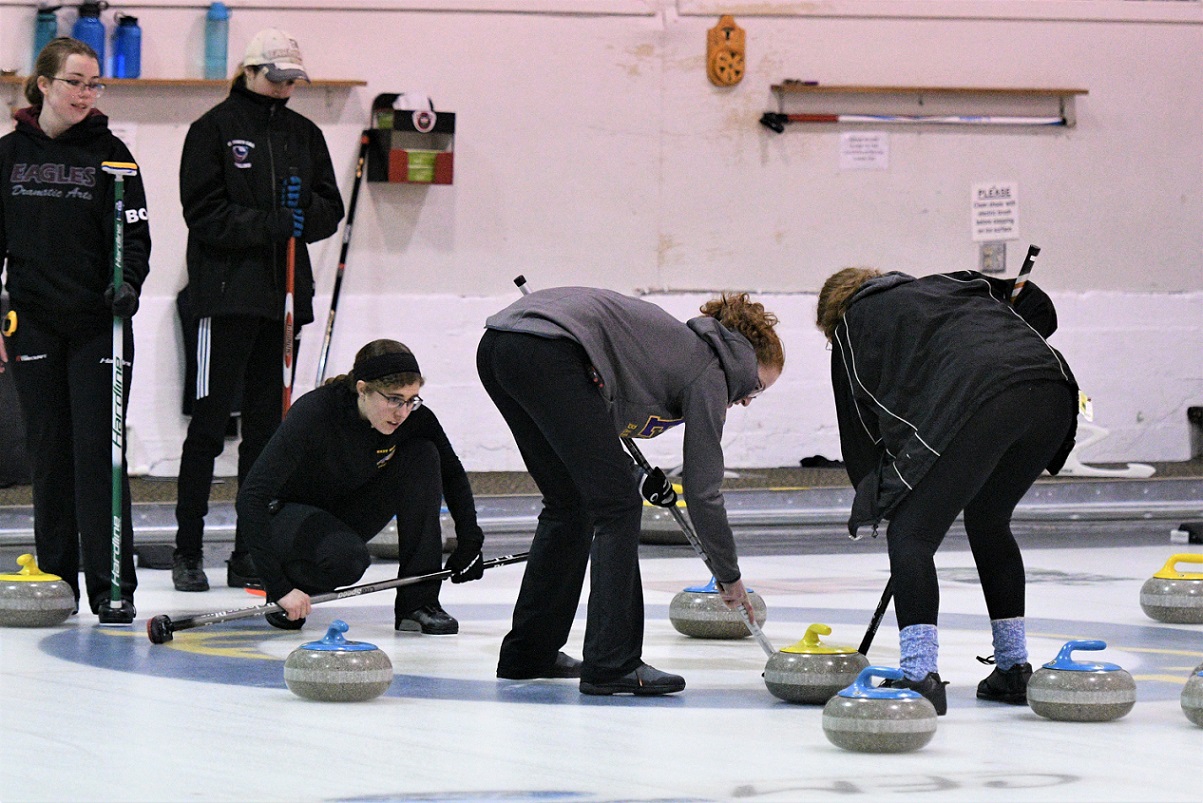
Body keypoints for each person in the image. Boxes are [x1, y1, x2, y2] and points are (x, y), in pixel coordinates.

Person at [477, 287, 784, 696]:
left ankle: (529, 653)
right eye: (758, 387)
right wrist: (728, 574)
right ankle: (613, 662)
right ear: (746, 362)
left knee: (571, 503)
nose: (747, 401)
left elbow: (591, 438)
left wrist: (638, 477)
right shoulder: (711, 371)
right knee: (618, 507)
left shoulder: (676, 352)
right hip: (547, 350)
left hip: (502, 347)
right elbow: (703, 490)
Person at [816, 267, 1079, 714]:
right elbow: (1038, 306)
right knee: (989, 519)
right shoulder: (954, 281)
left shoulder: (850, 328)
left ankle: (920, 676)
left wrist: (880, 497)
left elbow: (861, 435)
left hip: (981, 398)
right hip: (1054, 389)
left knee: (911, 535)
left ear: (833, 314)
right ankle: (1013, 669)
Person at [172, 28, 345, 592]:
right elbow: (204, 213)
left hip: (285, 301)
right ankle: (188, 549)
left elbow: (329, 207)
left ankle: (250, 550)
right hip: (224, 301)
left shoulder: (304, 133)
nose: (285, 88)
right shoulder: (213, 130)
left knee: (269, 435)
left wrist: (304, 219)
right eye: (276, 77)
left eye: (293, 79)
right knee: (208, 425)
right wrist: (272, 223)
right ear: (249, 72)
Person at [0, 37, 151, 617]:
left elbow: (136, 238)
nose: (87, 94)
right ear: (44, 84)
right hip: (33, 323)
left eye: (95, 84)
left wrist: (129, 282)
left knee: (100, 458)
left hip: (99, 328)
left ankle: (114, 588)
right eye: (76, 82)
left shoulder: (114, 156)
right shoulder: (10, 156)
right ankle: (55, 583)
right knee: (50, 456)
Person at [236, 339, 486, 633]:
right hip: (288, 515)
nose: (402, 412)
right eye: (393, 399)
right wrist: (278, 587)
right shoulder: (316, 413)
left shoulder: (413, 418)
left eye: (411, 399)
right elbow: (251, 498)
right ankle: (295, 580)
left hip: (345, 511)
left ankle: (418, 603)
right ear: (363, 389)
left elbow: (452, 474)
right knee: (347, 561)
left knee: (423, 455)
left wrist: (470, 541)